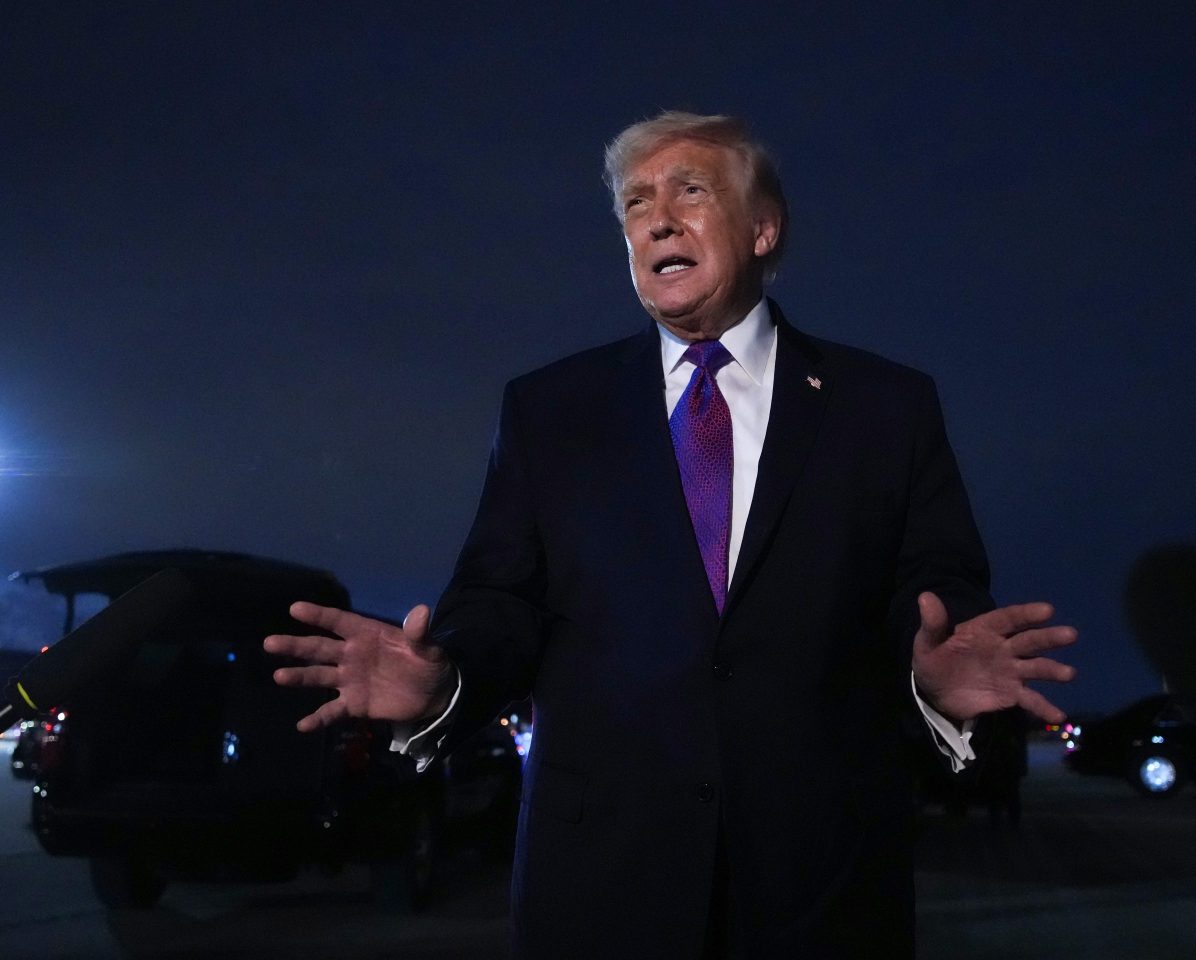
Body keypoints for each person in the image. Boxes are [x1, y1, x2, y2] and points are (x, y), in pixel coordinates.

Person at [264, 111, 1077, 959]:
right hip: (601, 881)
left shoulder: (886, 406)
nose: (656, 219)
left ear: (763, 229)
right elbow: (502, 597)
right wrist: (446, 684)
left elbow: (934, 587)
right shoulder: (549, 411)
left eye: (691, 191)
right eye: (635, 204)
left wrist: (935, 674)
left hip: (821, 881)